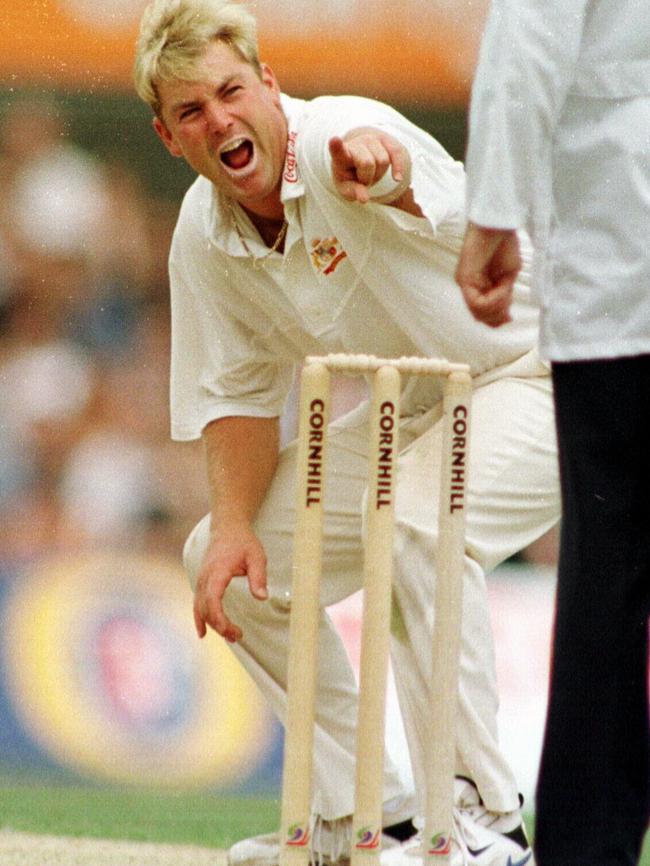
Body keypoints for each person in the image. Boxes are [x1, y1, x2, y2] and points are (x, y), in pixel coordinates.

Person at [133, 2, 561, 863]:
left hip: (542, 369)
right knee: (225, 559)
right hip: (425, 404)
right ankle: (366, 815)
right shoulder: (203, 236)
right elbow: (241, 399)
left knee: (413, 521)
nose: (219, 119)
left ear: (269, 86)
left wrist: (385, 169)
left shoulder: (340, 136)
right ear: (168, 137)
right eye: (191, 111)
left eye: (229, 90)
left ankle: (482, 821)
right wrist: (238, 527)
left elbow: (413, 176)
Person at [455, 2, 650, 865]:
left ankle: (584, 854)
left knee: (610, 588)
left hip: (625, 291)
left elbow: (525, 48)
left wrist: (493, 213)